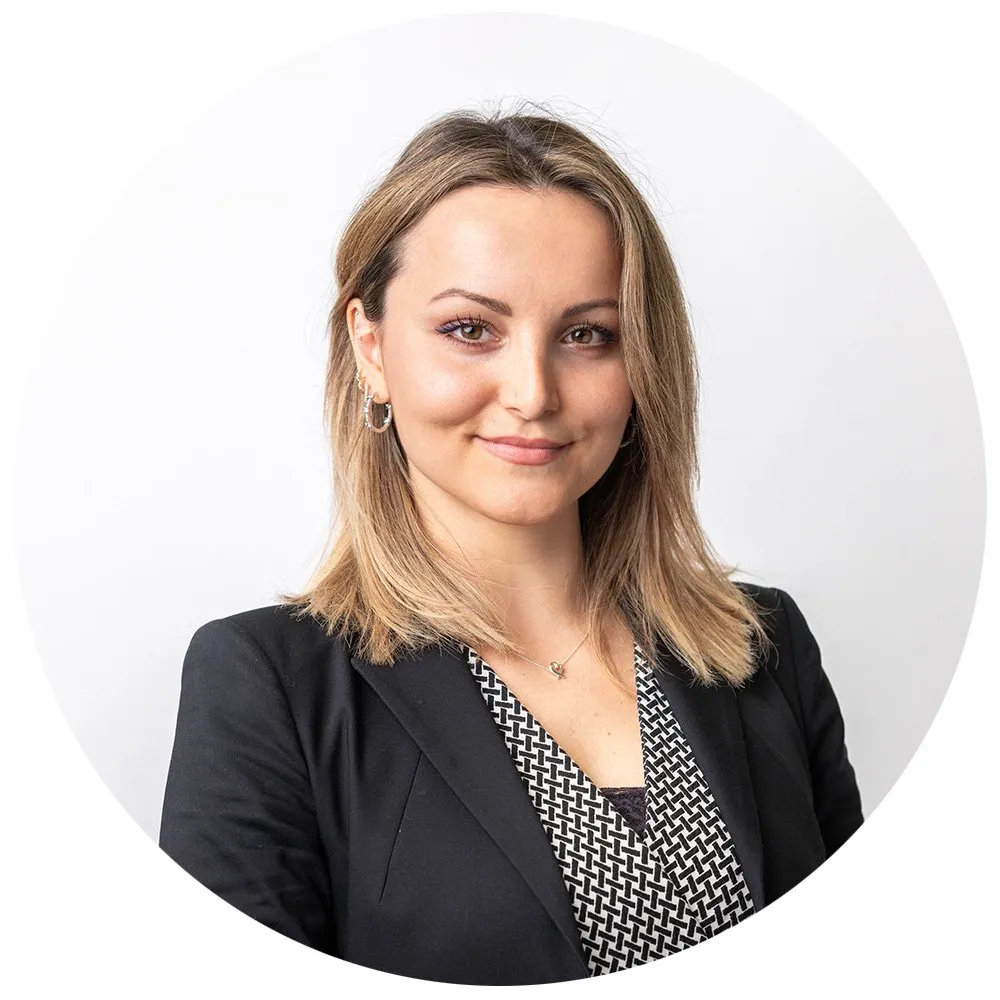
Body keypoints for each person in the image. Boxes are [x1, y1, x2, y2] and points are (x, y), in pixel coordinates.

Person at [159, 103, 864, 986]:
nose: (532, 392)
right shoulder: (267, 687)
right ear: (370, 345)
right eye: (470, 329)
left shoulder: (765, 647)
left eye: (587, 336)